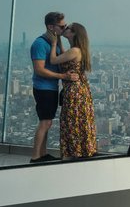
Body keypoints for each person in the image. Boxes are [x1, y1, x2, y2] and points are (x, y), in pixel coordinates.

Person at [30, 12, 78, 163]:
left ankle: (43, 154)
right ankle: (36, 157)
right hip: (43, 88)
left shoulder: (53, 43)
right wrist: (63, 77)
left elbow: (61, 60)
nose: (64, 29)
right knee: (45, 122)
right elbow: (39, 69)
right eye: (62, 26)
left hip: (50, 87)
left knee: (47, 122)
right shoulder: (39, 44)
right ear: (51, 26)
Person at [49, 22, 97, 159]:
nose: (65, 29)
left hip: (74, 91)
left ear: (74, 33)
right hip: (81, 91)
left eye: (68, 28)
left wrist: (53, 43)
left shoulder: (74, 51)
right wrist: (58, 39)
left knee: (71, 122)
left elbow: (53, 60)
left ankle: (73, 153)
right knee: (78, 121)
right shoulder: (76, 50)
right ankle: (81, 151)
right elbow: (65, 55)